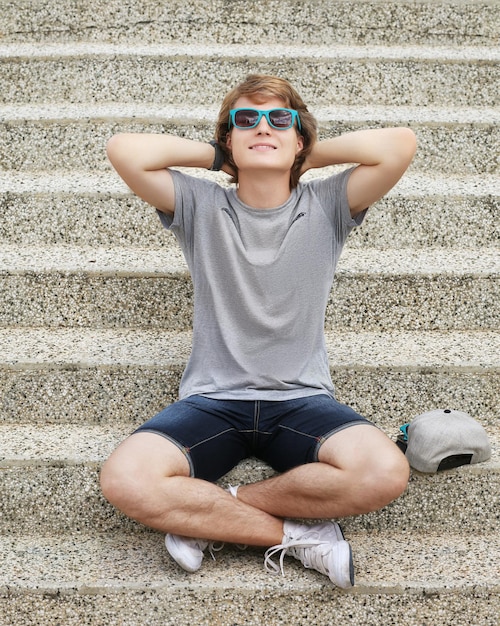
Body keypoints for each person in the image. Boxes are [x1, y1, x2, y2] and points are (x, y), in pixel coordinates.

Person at [100, 74, 416, 589]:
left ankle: (216, 513)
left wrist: (302, 156)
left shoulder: (328, 205)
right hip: (211, 400)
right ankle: (299, 537)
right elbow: (125, 150)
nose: (261, 127)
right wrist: (220, 159)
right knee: (124, 479)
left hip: (301, 400)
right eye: (245, 120)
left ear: (299, 137)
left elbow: (399, 143)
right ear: (229, 138)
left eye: (278, 119)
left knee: (383, 472)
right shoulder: (200, 205)